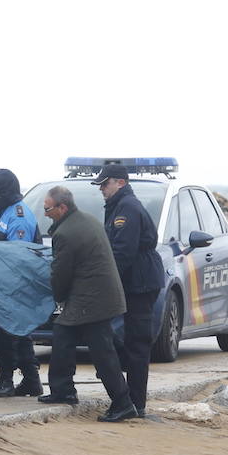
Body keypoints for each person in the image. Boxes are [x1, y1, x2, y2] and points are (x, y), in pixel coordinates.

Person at [39, 185, 137, 422]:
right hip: (98, 295)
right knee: (63, 336)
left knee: (103, 353)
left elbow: (61, 272)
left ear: (62, 207)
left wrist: (58, 296)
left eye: (48, 209)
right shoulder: (87, 220)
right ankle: (63, 390)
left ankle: (123, 403)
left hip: (91, 299)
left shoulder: (66, 233)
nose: (45, 214)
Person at [93, 164, 164, 417]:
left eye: (105, 184)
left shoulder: (127, 208)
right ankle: (131, 401)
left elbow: (122, 252)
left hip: (140, 282)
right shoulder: (119, 206)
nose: (101, 189)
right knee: (125, 340)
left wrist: (105, 283)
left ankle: (135, 403)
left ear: (120, 183)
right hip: (135, 280)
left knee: (137, 344)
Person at [0, 168, 44, 398]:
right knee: (18, 333)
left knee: (9, 335)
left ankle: (6, 381)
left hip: (16, 286)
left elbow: (19, 256)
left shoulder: (18, 216)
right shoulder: (5, 212)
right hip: (7, 285)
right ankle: (31, 380)